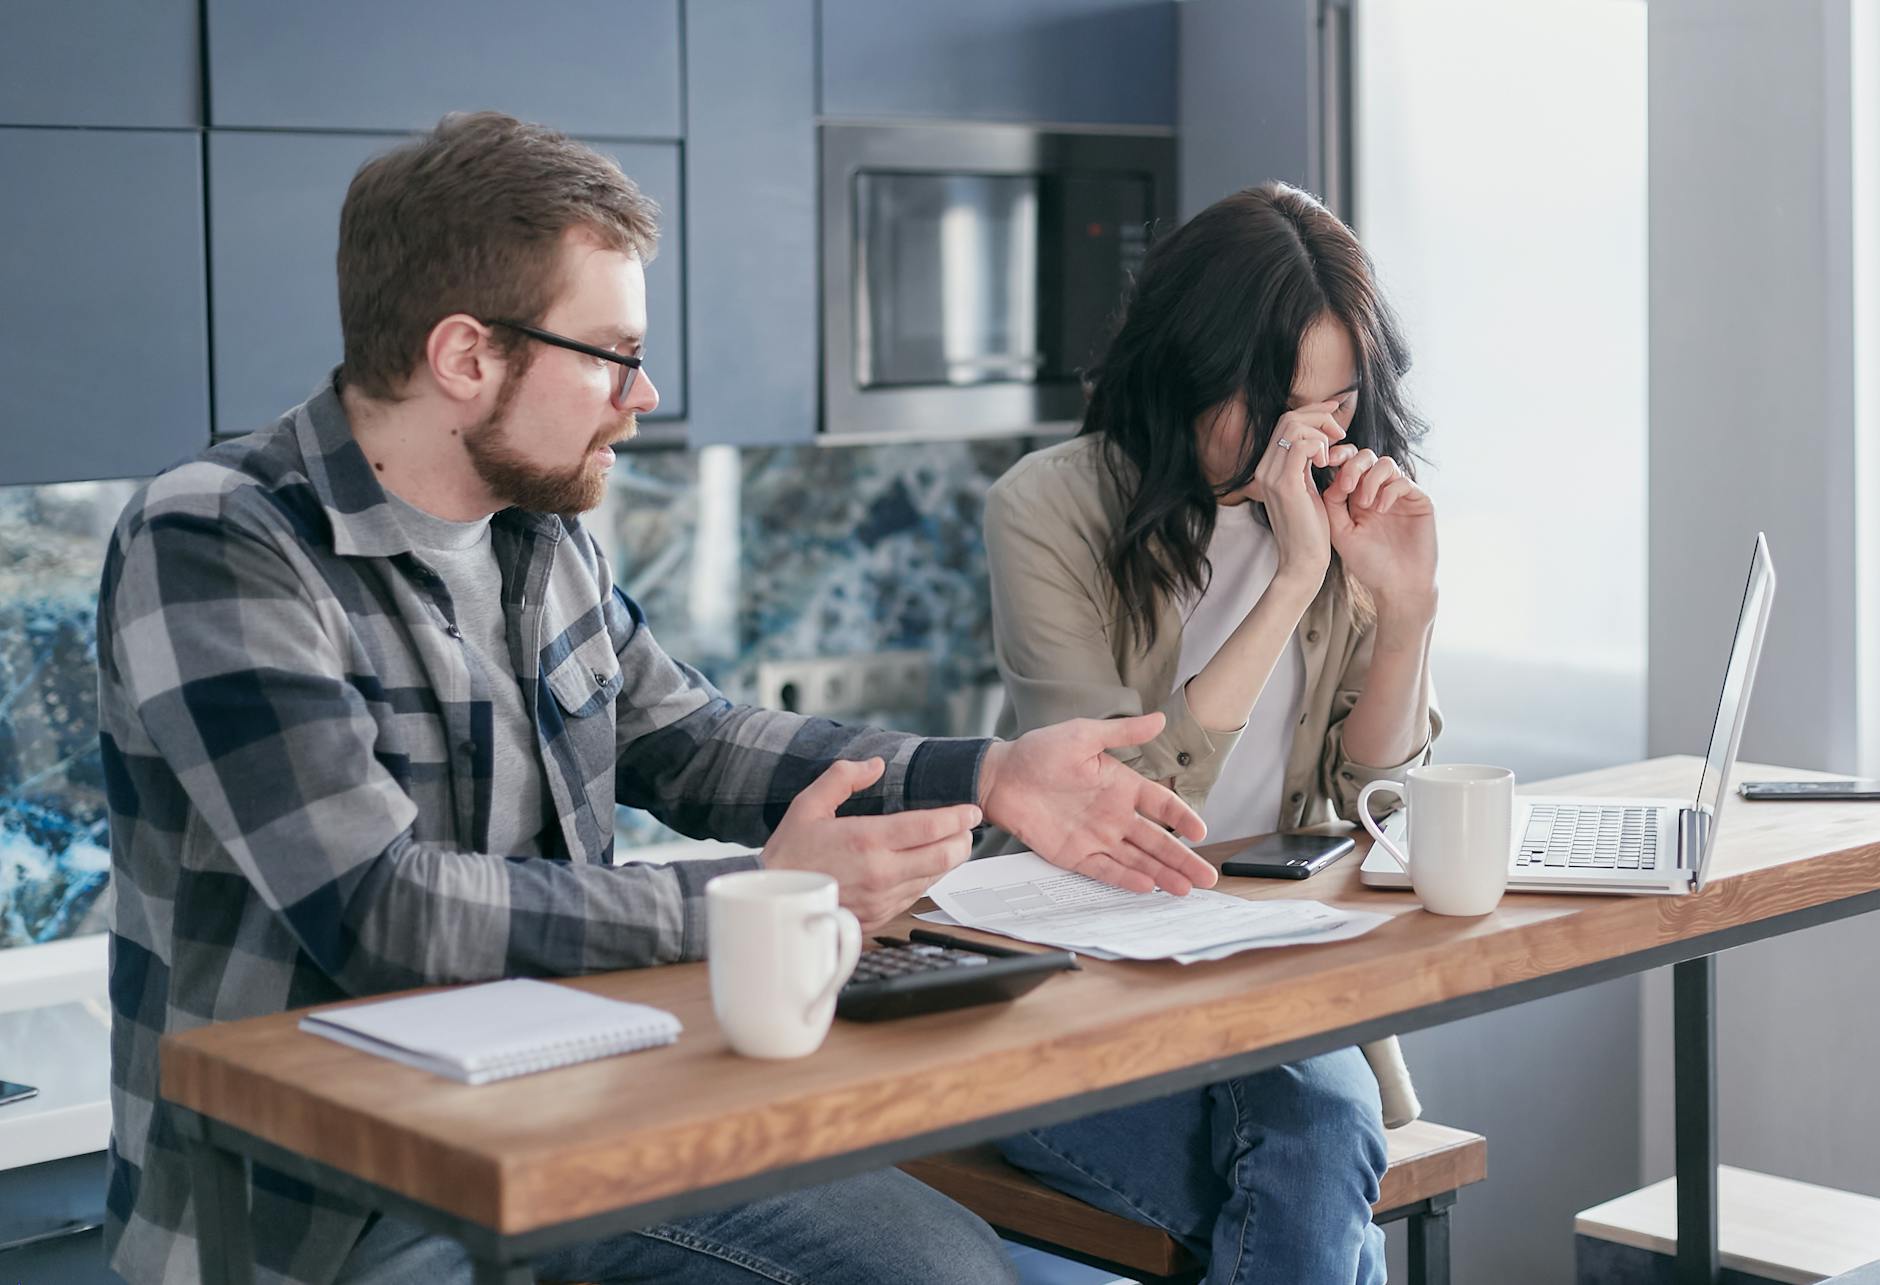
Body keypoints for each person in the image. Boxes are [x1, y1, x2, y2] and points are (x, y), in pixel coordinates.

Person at [96, 111, 1214, 1285]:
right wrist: (761, 899)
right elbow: (382, 913)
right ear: (465, 355)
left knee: (941, 1259)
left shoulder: (538, 531)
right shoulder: (221, 538)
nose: (644, 392)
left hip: (574, 1117)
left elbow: (695, 742)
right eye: (611, 352)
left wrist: (988, 774)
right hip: (333, 1210)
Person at [980, 182, 1443, 1284]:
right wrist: (1289, 578)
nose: (1308, 438)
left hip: (1260, 968)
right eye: (1276, 401)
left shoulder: (1346, 506)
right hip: (1073, 966)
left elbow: (1373, 792)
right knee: (1322, 1177)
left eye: (1332, 404)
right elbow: (1116, 806)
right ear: (1184, 366)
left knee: (1317, 1148)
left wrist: (1407, 612)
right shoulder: (1045, 509)